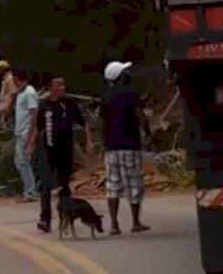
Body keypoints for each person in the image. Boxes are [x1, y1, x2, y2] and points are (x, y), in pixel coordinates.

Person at [28, 76, 94, 233]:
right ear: (51, 88)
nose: (63, 88)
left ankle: (66, 214)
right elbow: (37, 127)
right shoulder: (44, 105)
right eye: (59, 85)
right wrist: (30, 146)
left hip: (65, 149)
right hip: (47, 148)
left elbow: (84, 123)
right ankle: (45, 219)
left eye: (64, 85)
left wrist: (89, 141)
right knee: (45, 184)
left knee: (64, 184)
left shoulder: (69, 104)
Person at [101, 61, 152, 235]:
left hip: (110, 146)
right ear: (120, 76)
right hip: (129, 144)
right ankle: (135, 222)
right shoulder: (131, 93)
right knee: (134, 184)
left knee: (113, 185)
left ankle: (114, 225)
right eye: (124, 71)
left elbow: (102, 121)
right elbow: (139, 115)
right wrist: (148, 133)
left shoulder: (105, 95)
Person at [10, 69, 39, 202]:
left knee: (23, 162)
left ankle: (30, 191)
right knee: (20, 162)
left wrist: (30, 135)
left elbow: (34, 114)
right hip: (20, 131)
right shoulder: (21, 93)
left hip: (25, 132)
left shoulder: (29, 92)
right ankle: (29, 189)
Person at [0, 60, 17, 127]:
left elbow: (12, 93)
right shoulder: (5, 78)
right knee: (2, 124)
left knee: (6, 126)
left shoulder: (10, 78)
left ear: (3, 69)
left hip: (7, 106)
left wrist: (8, 106)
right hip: (3, 106)